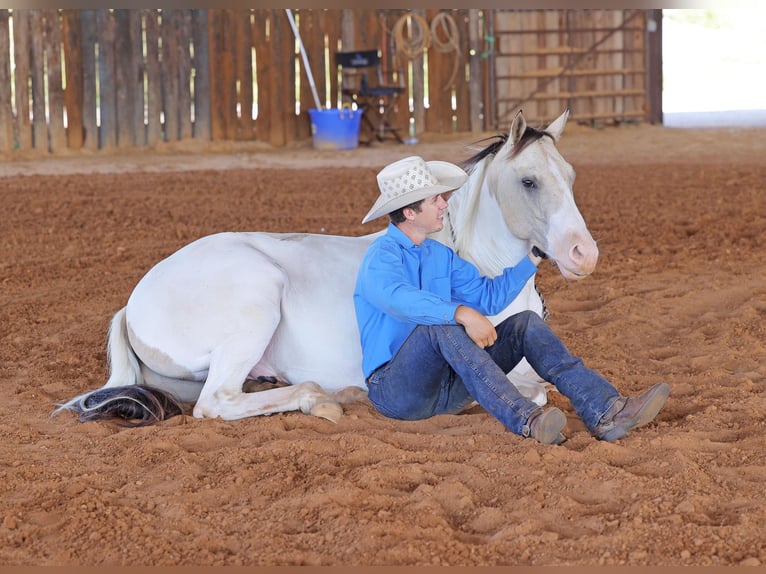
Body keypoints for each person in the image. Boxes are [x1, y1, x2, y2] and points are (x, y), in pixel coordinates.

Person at [353, 155, 670, 445]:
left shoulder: (440, 256)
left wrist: (531, 258)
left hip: (447, 387)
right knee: (439, 326)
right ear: (410, 212)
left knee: (525, 325)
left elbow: (488, 298)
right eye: (435, 200)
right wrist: (460, 312)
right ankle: (528, 419)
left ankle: (606, 411)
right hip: (396, 392)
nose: (444, 205)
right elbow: (396, 298)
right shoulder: (381, 256)